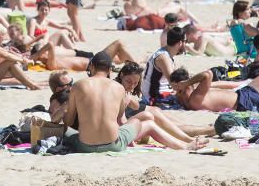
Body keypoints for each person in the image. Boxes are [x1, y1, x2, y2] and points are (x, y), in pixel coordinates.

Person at [62, 52, 205, 152]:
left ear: (91, 66)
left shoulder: (78, 85)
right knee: (148, 124)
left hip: (84, 146)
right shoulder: (118, 88)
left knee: (65, 131)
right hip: (113, 145)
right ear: (110, 69)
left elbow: (68, 121)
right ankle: (184, 146)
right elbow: (118, 120)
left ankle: (186, 140)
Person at [170, 65, 259, 114]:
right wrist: (186, 83)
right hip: (245, 103)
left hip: (243, 93)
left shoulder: (183, 97)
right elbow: (208, 74)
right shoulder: (193, 99)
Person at [142, 27, 187, 103]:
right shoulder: (163, 58)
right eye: (186, 41)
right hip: (153, 98)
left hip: (161, 94)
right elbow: (174, 84)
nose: (186, 44)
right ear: (180, 43)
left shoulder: (167, 55)